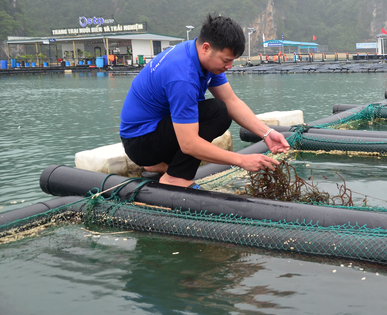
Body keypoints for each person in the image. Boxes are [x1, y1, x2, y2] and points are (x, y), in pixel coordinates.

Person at [119, 14, 289, 188]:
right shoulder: (182, 76)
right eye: (226, 60)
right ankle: (175, 178)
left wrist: (267, 133)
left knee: (221, 109)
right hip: (139, 142)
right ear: (206, 48)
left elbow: (231, 101)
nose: (229, 67)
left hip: (153, 132)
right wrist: (242, 160)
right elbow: (189, 144)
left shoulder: (198, 55)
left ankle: (161, 165)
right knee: (217, 112)